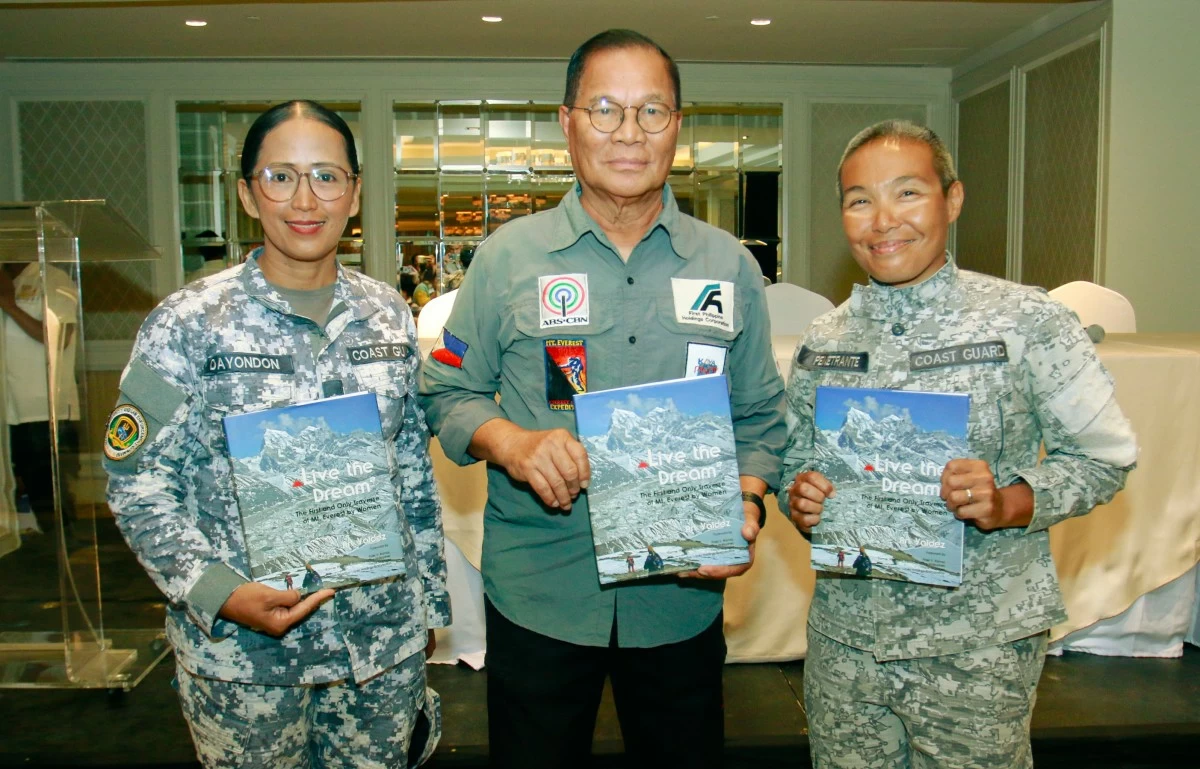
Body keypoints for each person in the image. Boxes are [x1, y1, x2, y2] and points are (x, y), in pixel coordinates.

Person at [419, 29, 785, 768]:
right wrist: (512, 442)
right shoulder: (507, 258)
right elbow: (448, 388)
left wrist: (746, 505)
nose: (629, 133)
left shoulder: (728, 264)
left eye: (652, 111)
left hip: (679, 598)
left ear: (677, 126)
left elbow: (758, 417)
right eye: (605, 110)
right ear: (568, 122)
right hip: (541, 591)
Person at [782, 119, 1137, 768]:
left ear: (952, 199)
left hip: (977, 646)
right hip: (847, 644)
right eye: (859, 200)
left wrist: (1009, 501)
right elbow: (794, 461)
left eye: (907, 193)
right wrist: (800, 497)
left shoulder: (1026, 321)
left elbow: (1103, 455)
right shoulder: (825, 339)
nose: (883, 220)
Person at [103, 100, 448, 769]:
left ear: (354, 193)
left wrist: (426, 603)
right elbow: (136, 481)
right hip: (244, 659)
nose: (305, 199)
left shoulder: (386, 314)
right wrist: (217, 591)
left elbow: (409, 469)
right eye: (281, 177)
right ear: (246, 194)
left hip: (379, 647)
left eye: (326, 176)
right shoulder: (188, 322)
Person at [1, 260, 80, 536]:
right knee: (14, 485)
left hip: (42, 407)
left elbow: (59, 338)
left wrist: (9, 305)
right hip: (6, 406)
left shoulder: (52, 279)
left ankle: (63, 546)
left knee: (45, 488)